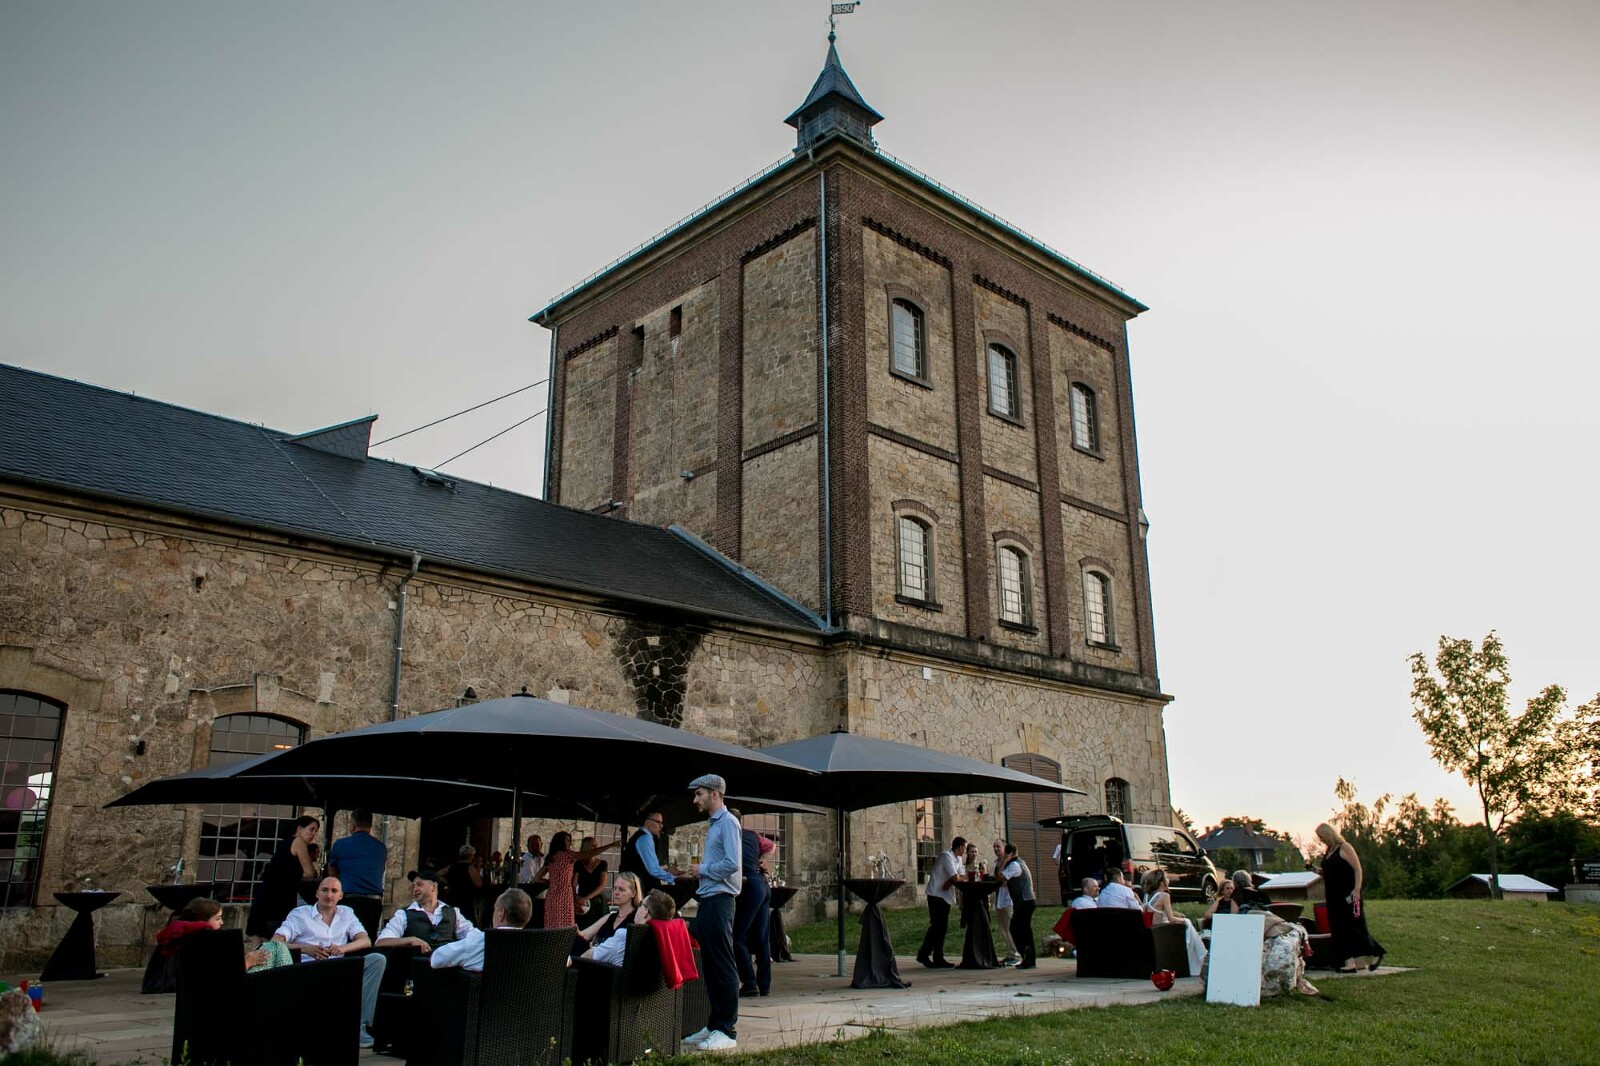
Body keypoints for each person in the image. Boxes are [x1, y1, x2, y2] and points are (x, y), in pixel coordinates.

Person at [273, 876, 386, 1048]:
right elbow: (276, 941)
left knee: (377, 959)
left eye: (334, 891)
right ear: (317, 893)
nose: (329, 895)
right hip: (309, 968)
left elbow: (365, 940)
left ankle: (359, 1026)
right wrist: (305, 948)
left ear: (341, 895)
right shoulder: (301, 914)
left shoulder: (346, 913)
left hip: (339, 966)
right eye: (325, 890)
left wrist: (343, 948)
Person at [683, 773, 742, 1053]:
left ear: (715, 794)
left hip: (721, 900)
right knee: (710, 963)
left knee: (722, 963)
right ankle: (714, 1023)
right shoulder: (715, 824)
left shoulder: (729, 823)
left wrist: (702, 870)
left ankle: (727, 1029)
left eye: (699, 794)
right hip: (709, 899)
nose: (696, 799)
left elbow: (732, 863)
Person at [1316, 823, 1385, 972]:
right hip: (1334, 896)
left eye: (1321, 837)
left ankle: (1375, 952)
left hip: (1350, 895)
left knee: (1355, 925)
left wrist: (1357, 889)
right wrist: (1316, 870)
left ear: (1328, 834)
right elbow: (1331, 871)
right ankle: (1352, 961)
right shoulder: (1329, 851)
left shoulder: (1345, 847)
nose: (1321, 840)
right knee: (1339, 927)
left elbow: (1357, 869)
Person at [247, 814, 319, 938]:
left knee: (259, 935)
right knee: (279, 935)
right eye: (311, 829)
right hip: (280, 895)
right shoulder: (298, 841)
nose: (313, 834)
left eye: (316, 831)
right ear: (300, 829)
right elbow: (309, 872)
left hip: (267, 892)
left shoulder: (285, 843)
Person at [430, 888, 533, 973]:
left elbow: (436, 959)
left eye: (495, 910)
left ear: (501, 914)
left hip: (484, 996)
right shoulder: (537, 948)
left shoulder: (479, 942)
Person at [375, 869, 476, 953]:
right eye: (413, 886)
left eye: (419, 884)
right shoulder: (403, 914)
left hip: (449, 969)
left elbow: (475, 937)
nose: (415, 889)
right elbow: (381, 942)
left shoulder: (453, 912)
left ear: (434, 887)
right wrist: (411, 940)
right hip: (418, 969)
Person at [728, 809, 771, 998]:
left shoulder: (728, 836)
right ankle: (764, 984)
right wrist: (762, 861)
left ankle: (749, 983)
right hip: (762, 883)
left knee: (738, 937)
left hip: (748, 885)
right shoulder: (752, 834)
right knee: (762, 938)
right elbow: (771, 846)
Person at [539, 831, 619, 930]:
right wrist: (611, 845)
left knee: (552, 923)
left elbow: (537, 878)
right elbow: (590, 853)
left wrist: (553, 883)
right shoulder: (568, 855)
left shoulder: (551, 857)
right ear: (561, 842)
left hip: (552, 895)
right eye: (568, 840)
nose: (570, 843)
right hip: (565, 894)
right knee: (565, 925)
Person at [582, 888, 676, 968]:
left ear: (646, 913)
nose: (637, 909)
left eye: (640, 905)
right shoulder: (667, 942)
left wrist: (596, 950)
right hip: (653, 989)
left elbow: (585, 958)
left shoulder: (625, 937)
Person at [1141, 869, 1206, 975]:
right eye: (1166, 878)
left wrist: (1179, 916)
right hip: (1163, 930)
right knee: (1188, 922)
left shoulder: (1150, 897)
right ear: (1162, 882)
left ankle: (1200, 954)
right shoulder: (1164, 896)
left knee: (1186, 922)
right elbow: (1171, 919)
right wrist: (1184, 920)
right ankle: (1201, 955)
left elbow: (1160, 912)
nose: (1168, 880)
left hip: (1155, 929)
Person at [916, 836, 965, 968]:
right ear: (960, 847)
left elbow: (961, 876)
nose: (964, 851)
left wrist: (950, 881)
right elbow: (956, 876)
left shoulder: (959, 859)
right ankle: (925, 954)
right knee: (936, 925)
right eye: (964, 848)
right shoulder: (946, 856)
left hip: (946, 895)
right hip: (936, 894)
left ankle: (937, 956)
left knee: (942, 927)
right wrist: (953, 880)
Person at [573, 873, 643, 959]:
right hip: (597, 959)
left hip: (614, 965)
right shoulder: (610, 917)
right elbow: (583, 935)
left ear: (633, 893)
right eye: (615, 888)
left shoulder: (636, 918)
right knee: (576, 942)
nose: (616, 892)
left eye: (621, 890)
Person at [327, 809, 387, 900]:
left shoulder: (340, 844)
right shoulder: (381, 847)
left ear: (352, 825)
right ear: (370, 825)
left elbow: (331, 870)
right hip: (374, 900)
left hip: (348, 898)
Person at [998, 843, 1036, 969]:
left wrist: (1004, 860)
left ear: (1010, 854)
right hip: (1025, 901)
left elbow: (1000, 877)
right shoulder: (1019, 863)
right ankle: (1028, 957)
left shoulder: (1014, 865)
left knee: (1018, 929)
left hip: (1024, 901)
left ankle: (1028, 957)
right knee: (1022, 930)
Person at [620, 813, 676, 896]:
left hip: (637, 886)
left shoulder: (641, 836)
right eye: (658, 822)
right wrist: (673, 878)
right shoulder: (645, 838)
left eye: (662, 823)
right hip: (642, 888)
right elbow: (653, 870)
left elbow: (645, 865)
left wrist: (666, 871)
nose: (661, 826)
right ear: (648, 822)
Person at [992, 839, 1020, 966]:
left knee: (1010, 927)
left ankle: (1015, 954)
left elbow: (1001, 880)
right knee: (1003, 928)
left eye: (998, 846)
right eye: (994, 847)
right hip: (1000, 899)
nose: (996, 849)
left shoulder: (1012, 864)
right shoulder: (997, 863)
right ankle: (1010, 953)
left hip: (1009, 900)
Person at [441, 845, 484, 926]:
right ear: (471, 856)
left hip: (453, 898)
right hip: (466, 900)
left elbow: (439, 874)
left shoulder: (452, 866)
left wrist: (447, 882)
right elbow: (479, 884)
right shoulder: (470, 868)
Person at [573, 836, 610, 924]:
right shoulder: (578, 864)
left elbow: (602, 885)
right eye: (593, 846)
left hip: (598, 901)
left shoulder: (602, 864)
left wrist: (587, 898)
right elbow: (574, 883)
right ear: (587, 847)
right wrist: (576, 896)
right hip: (582, 903)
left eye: (596, 845)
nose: (596, 848)